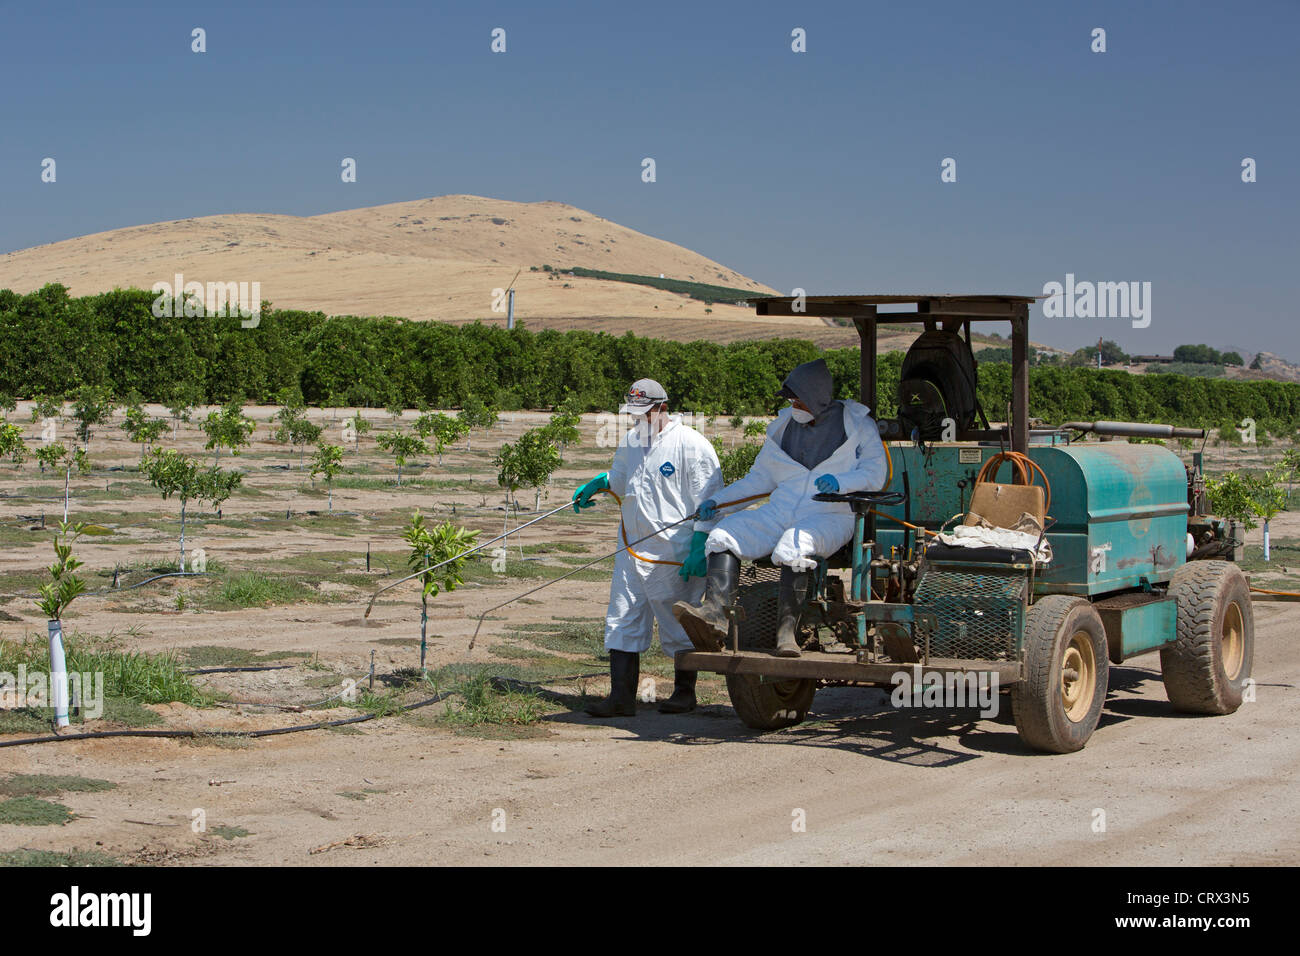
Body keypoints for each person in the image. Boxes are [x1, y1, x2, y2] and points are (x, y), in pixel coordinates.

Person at [673, 359, 887, 658]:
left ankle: (787, 634)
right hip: (781, 511)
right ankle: (715, 615)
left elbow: (876, 474)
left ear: (816, 397)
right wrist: (718, 503)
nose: (792, 404)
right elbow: (759, 479)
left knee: (795, 545)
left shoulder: (857, 425)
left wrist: (841, 481)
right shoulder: (784, 426)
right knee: (726, 534)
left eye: (798, 399)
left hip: (830, 515)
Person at [572, 379, 722, 716]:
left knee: (678, 624)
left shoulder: (692, 445)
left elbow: (710, 500)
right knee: (622, 619)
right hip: (631, 548)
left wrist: (700, 544)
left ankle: (685, 694)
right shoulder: (629, 441)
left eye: (645, 413)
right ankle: (621, 699)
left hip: (673, 553)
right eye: (633, 414)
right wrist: (601, 482)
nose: (638, 420)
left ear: (662, 407)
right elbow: (623, 481)